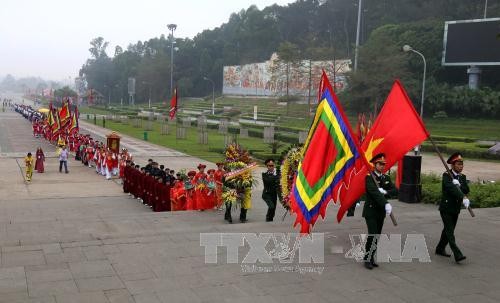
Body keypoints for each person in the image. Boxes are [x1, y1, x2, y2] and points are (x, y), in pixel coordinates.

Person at [362, 153, 397, 270]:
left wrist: (386, 192)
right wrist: (386, 203)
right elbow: (374, 193)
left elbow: (395, 190)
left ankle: (372, 257)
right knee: (372, 234)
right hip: (371, 211)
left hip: (380, 212)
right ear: (374, 164)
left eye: (383, 164)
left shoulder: (385, 178)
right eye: (380, 164)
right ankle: (367, 259)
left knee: (377, 235)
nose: (382, 166)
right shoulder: (369, 177)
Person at [435, 152, 469, 264]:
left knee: (448, 230)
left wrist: (459, 184)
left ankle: (440, 248)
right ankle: (457, 254)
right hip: (446, 208)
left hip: (456, 208)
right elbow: (450, 189)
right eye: (458, 164)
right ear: (453, 165)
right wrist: (462, 196)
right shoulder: (446, 175)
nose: (461, 166)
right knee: (450, 231)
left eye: (462, 164)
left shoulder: (462, 177)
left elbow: (466, 189)